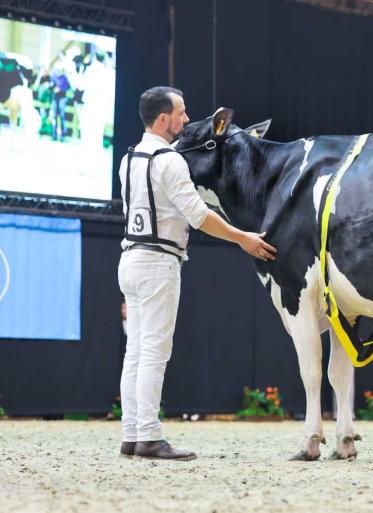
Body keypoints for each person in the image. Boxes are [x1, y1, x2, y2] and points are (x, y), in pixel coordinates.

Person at [118, 86, 276, 461]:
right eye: (181, 113)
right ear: (163, 119)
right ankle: (150, 437)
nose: (187, 120)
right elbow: (199, 216)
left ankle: (132, 434)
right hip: (158, 260)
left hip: (130, 257)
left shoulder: (129, 158)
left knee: (136, 352)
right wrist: (243, 238)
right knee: (154, 352)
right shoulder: (170, 161)